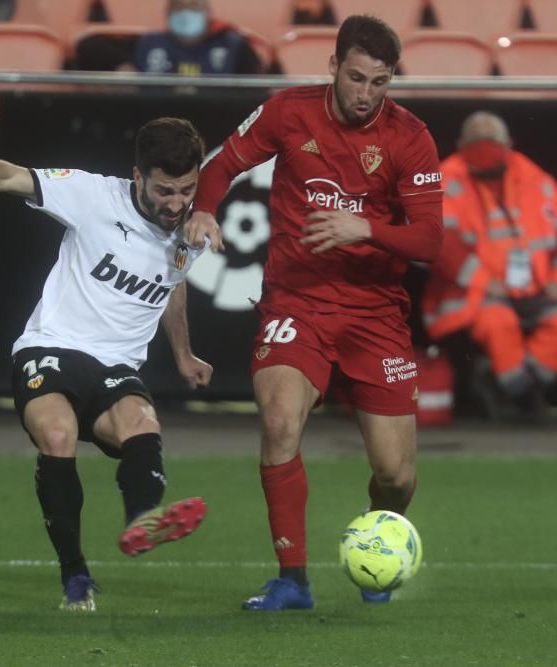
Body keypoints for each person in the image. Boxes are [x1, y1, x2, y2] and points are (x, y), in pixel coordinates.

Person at [0, 117, 225, 612]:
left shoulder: (188, 225)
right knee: (57, 436)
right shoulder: (93, 196)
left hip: (117, 367)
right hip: (51, 348)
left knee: (142, 427)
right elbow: (6, 175)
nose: (175, 202)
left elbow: (173, 282)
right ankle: (75, 574)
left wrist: (184, 353)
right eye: (164, 190)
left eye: (186, 190)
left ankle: (143, 520)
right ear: (137, 175)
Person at [183, 14, 445, 610]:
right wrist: (203, 210)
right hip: (296, 300)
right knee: (278, 422)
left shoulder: (410, 137)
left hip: (376, 315)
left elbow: (430, 241)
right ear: (332, 67)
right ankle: (292, 579)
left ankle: (378, 540)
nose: (366, 94)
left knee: (396, 476)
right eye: (356, 78)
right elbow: (222, 164)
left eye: (380, 82)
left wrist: (367, 228)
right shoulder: (288, 111)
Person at [421, 111, 557, 418]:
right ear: (460, 143)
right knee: (497, 322)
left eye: (492, 141)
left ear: (510, 143)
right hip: (476, 293)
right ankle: (524, 400)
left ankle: (503, 387)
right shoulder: (444, 179)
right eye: (477, 141)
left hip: (540, 289)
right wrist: (485, 282)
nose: (485, 148)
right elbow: (443, 246)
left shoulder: (536, 179)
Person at [126, 0, 263, 75]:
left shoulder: (234, 45)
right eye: (179, 6)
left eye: (194, 7)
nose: (186, 13)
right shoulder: (146, 43)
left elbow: (254, 91)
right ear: (167, 13)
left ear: (208, 13)